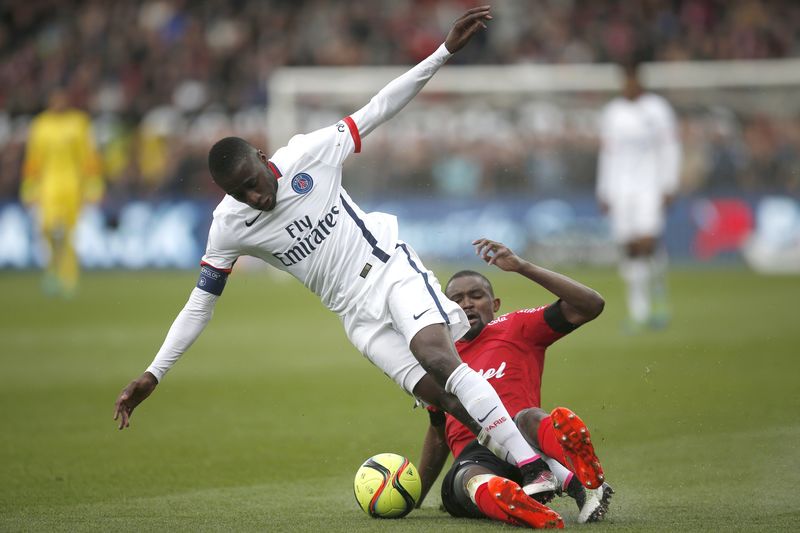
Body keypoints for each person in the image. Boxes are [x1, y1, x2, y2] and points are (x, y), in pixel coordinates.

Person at [113, 6, 554, 496]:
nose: (255, 197)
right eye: (241, 194)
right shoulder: (228, 226)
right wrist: (155, 372)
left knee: (437, 356)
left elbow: (379, 107)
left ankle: (532, 468)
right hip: (355, 316)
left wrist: (443, 51)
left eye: (253, 184)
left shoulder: (309, 153)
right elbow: (200, 304)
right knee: (443, 402)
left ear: (263, 158)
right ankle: (546, 472)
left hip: (387, 268)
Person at [415, 238, 613, 527]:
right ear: (445, 311)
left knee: (529, 417)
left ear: (494, 304)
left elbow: (591, 304)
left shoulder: (517, 327)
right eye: (456, 300)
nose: (466, 303)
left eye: (476, 295)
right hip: (475, 456)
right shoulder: (438, 358)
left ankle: (584, 477)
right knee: (467, 479)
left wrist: (522, 267)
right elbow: (437, 432)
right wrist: (415, 493)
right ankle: (530, 501)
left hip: (527, 446)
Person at [596, 59, 682, 331]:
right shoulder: (612, 113)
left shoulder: (657, 109)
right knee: (630, 248)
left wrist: (669, 184)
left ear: (641, 80)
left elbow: (670, 148)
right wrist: (604, 190)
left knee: (648, 243)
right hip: (621, 189)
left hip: (650, 185)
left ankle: (660, 301)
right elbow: (607, 154)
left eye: (633, 79)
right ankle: (638, 310)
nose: (629, 84)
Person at [21, 89, 103, 297]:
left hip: (72, 184)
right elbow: (34, 159)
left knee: (68, 232)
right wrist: (29, 187)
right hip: (48, 184)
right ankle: (51, 271)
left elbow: (88, 157)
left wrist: (93, 185)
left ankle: (68, 278)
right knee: (47, 229)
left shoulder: (78, 123)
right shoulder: (41, 125)